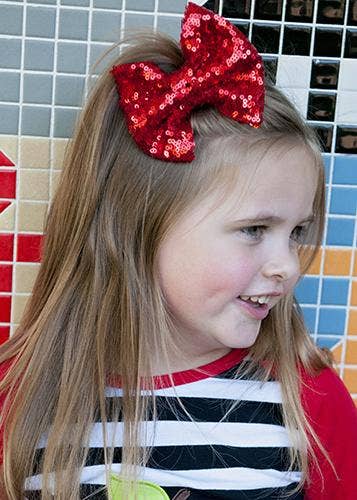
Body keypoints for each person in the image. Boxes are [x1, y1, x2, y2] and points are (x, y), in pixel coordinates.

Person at [0, 3, 356, 499]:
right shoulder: (23, 398)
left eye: (297, 232)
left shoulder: (308, 400)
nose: (288, 266)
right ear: (138, 230)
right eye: (254, 229)